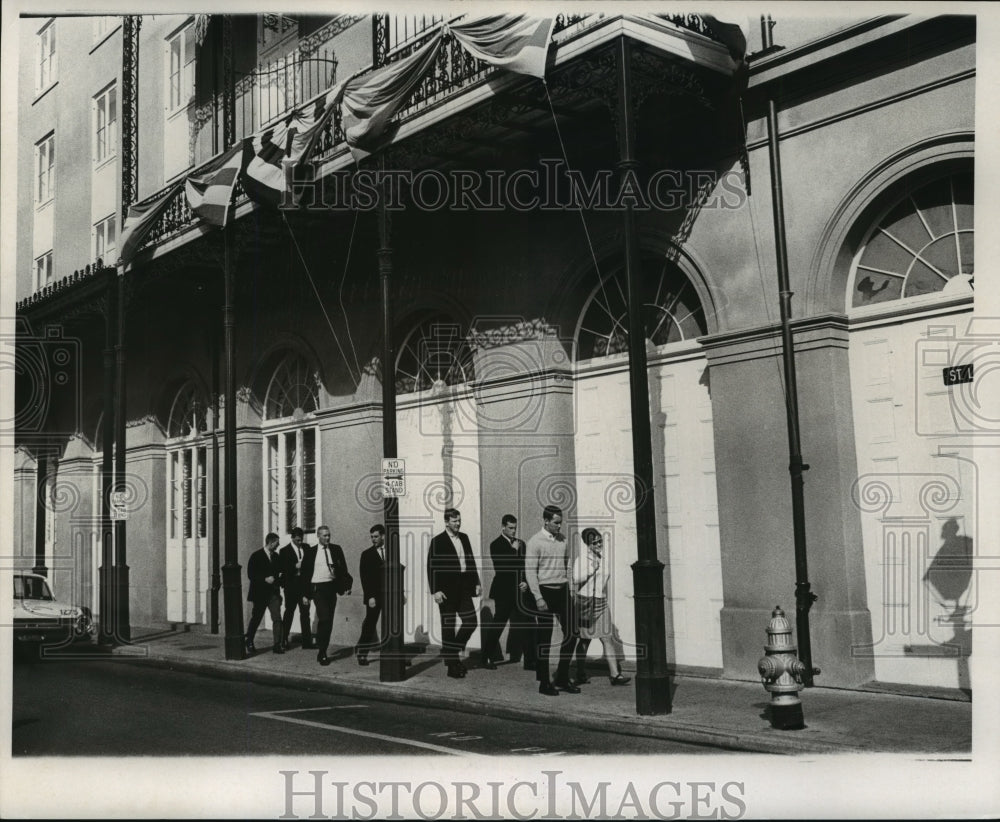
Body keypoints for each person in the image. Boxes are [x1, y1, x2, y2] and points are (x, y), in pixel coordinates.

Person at [524, 504, 580, 695]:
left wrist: (571, 589)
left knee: (573, 632)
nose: (559, 526)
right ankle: (544, 682)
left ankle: (562, 677)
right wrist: (538, 597)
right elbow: (530, 572)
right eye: (556, 522)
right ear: (546, 521)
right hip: (544, 592)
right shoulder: (535, 542)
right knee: (544, 639)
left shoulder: (563, 540)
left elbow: (568, 564)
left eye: (561, 522)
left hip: (562, 590)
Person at [427, 507, 481, 679]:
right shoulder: (438, 541)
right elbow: (431, 567)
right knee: (448, 627)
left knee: (471, 621)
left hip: (464, 587)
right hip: (446, 591)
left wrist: (476, 582)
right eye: (454, 521)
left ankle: (450, 652)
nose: (458, 523)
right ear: (446, 522)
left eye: (459, 520)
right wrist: (435, 590)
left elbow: (470, 560)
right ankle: (452, 666)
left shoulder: (464, 538)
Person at [573, 528, 631, 685]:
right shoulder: (582, 560)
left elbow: (603, 582)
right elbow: (576, 578)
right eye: (595, 543)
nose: (599, 544)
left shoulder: (603, 558)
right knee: (585, 640)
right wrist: (593, 569)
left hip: (601, 602)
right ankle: (580, 672)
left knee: (607, 637)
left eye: (600, 541)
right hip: (586, 603)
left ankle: (615, 675)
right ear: (587, 544)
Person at [482, 514, 535, 669]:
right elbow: (502, 568)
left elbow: (526, 566)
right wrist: (513, 551)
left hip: (520, 592)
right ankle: (486, 657)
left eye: (515, 528)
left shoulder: (521, 544)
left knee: (527, 623)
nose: (513, 531)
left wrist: (525, 582)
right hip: (504, 592)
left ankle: (530, 661)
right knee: (499, 624)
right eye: (510, 528)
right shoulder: (496, 544)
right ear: (503, 527)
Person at [309, 524, 353, 666]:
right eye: (324, 535)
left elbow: (343, 569)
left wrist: (346, 586)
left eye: (329, 535)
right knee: (325, 617)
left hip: (331, 588)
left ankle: (323, 649)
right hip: (317, 588)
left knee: (329, 621)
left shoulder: (336, 549)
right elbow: (305, 574)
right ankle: (322, 651)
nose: (327, 538)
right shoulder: (311, 552)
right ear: (318, 536)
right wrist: (305, 594)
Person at [245, 533, 284, 655]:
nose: (278, 546)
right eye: (276, 543)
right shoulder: (256, 556)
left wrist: (278, 582)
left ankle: (277, 644)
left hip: (273, 594)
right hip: (260, 594)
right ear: (271, 543)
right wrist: (264, 579)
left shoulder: (277, 557)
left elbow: (280, 573)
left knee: (277, 618)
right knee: (256, 618)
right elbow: (251, 574)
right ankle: (249, 640)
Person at [279, 527, 316, 650]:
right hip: (291, 588)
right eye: (298, 540)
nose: (300, 542)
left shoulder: (307, 548)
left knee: (305, 613)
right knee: (289, 612)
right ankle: (283, 639)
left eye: (301, 540)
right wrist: (295, 566)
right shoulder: (284, 551)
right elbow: (283, 569)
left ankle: (307, 642)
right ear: (292, 538)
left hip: (304, 587)